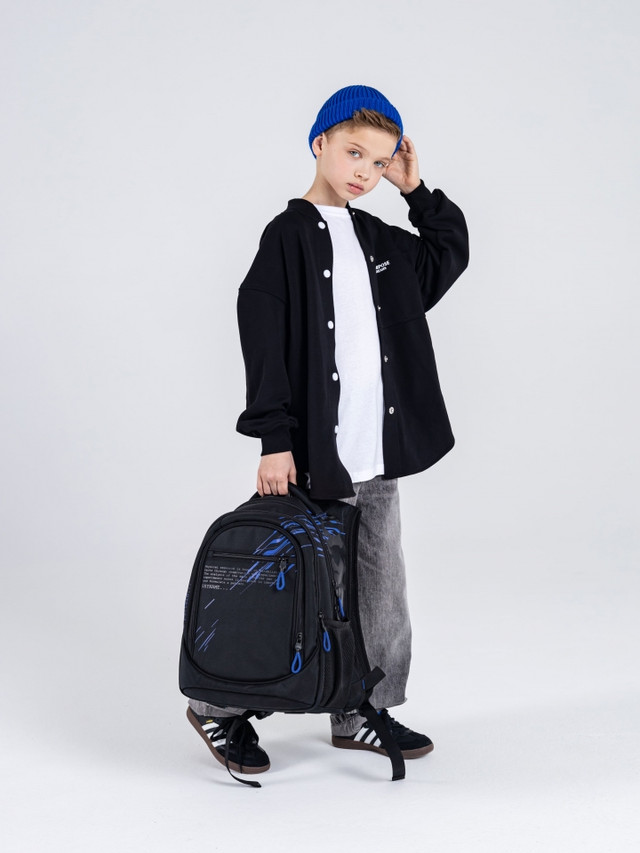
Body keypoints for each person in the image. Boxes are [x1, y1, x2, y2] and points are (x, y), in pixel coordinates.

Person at [186, 85, 469, 776]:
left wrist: (416, 189)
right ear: (320, 143)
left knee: (380, 591)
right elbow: (262, 336)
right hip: (315, 456)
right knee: (283, 590)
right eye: (353, 152)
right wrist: (274, 439)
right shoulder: (286, 237)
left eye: (379, 162)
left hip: (377, 456)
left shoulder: (380, 241)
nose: (364, 172)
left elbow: (448, 253)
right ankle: (219, 706)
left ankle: (361, 709)